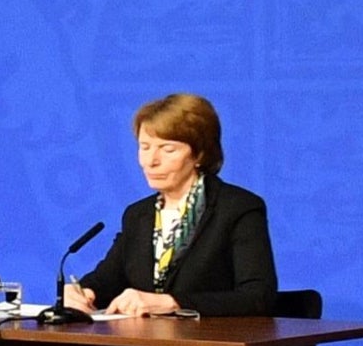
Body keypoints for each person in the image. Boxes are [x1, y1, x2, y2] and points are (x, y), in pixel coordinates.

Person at [67, 91, 281, 318]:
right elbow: (107, 280)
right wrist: (81, 292)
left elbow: (257, 296)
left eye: (167, 149)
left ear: (199, 153)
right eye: (145, 147)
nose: (151, 161)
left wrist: (172, 302)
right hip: (145, 345)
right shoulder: (139, 215)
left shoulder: (237, 208)